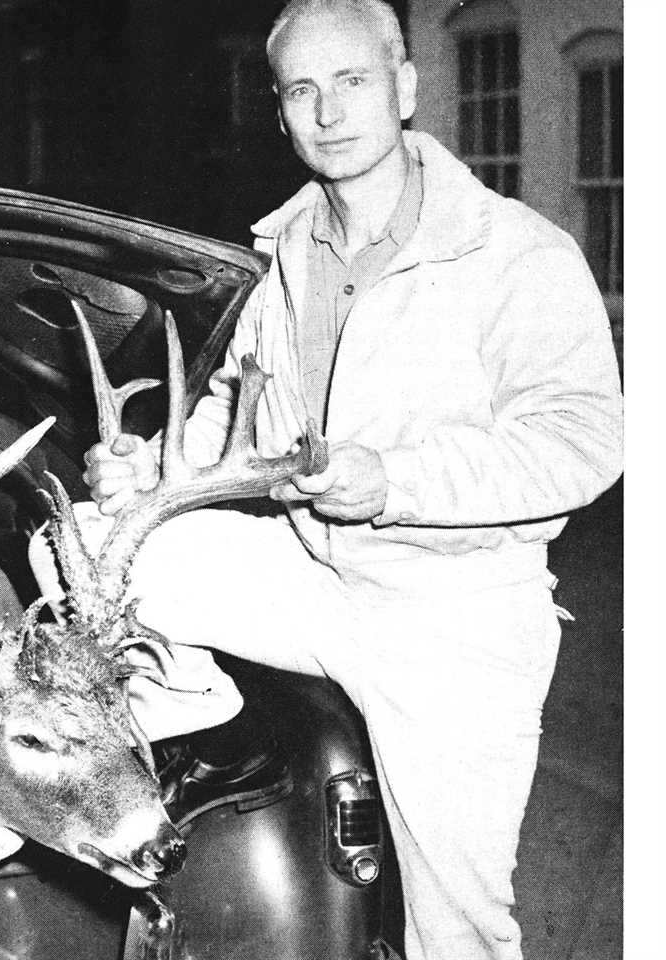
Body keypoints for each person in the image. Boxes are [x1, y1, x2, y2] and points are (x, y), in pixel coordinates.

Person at [33, 1, 624, 958]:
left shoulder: (514, 254)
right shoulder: (284, 260)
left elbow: (586, 438)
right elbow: (227, 415)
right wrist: (148, 468)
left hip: (454, 615)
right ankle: (187, 704)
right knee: (86, 540)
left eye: (352, 80)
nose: (329, 109)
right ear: (280, 113)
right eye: (301, 89)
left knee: (458, 928)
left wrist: (396, 480)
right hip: (312, 579)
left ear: (406, 86)